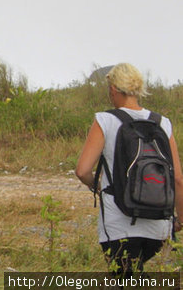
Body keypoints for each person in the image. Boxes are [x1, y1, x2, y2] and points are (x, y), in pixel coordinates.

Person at [76, 63, 183, 276]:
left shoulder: (106, 120)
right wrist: (179, 219)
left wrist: (96, 186)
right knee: (135, 275)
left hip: (119, 224)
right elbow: (178, 178)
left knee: (124, 277)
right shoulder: (163, 123)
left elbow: (82, 170)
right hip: (158, 225)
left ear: (114, 89)